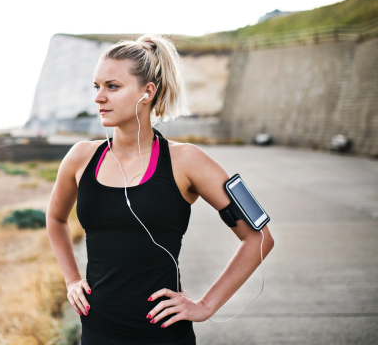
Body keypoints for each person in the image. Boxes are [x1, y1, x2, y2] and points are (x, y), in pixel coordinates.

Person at [46, 34, 275, 344]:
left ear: (147, 92)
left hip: (163, 335)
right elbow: (56, 220)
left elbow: (258, 237)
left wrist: (205, 305)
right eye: (96, 87)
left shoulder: (187, 161)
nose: (99, 97)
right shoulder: (80, 158)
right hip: (97, 331)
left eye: (112, 86)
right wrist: (72, 279)